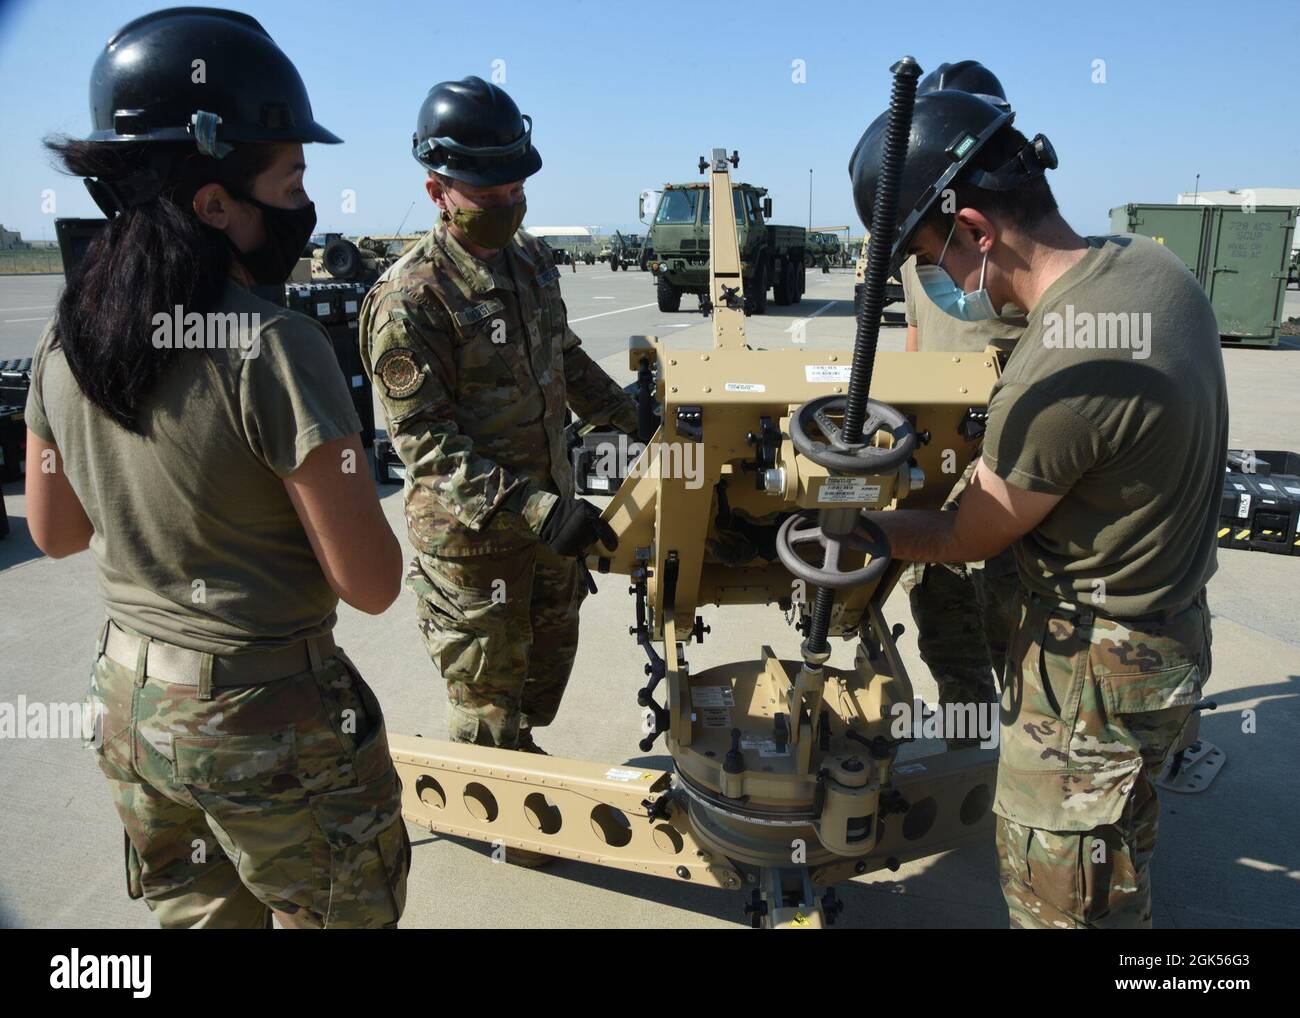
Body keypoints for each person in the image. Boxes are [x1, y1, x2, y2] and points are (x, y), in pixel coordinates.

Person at [25, 7, 409, 928]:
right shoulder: (276, 347)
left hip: (131, 706)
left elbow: (56, 533)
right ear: (213, 202)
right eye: (291, 178)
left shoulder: (65, 339)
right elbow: (372, 583)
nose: (304, 202)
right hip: (263, 720)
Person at [849, 84, 1226, 928]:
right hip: (1165, 637)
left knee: (1068, 907)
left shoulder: (1054, 376)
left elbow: (959, 532)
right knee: (1119, 852)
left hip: (1083, 688)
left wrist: (860, 529)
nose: (932, 279)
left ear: (977, 232)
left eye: (928, 255)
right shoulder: (1152, 269)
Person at [359, 76, 638, 753]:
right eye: (489, 196)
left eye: (516, 191)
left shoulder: (531, 260)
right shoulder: (410, 299)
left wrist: (632, 416)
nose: (508, 206)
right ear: (437, 191)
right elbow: (425, 441)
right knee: (487, 694)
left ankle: (518, 751)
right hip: (475, 543)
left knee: (544, 670)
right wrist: (539, 510)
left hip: (547, 527)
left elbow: (562, 357)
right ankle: (499, 802)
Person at [895, 61, 1026, 738]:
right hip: (939, 465)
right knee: (944, 619)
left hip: (1015, 468)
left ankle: (1034, 753)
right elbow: (917, 335)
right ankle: (970, 740)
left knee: (1018, 626)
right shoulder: (906, 244)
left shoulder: (1015, 239)